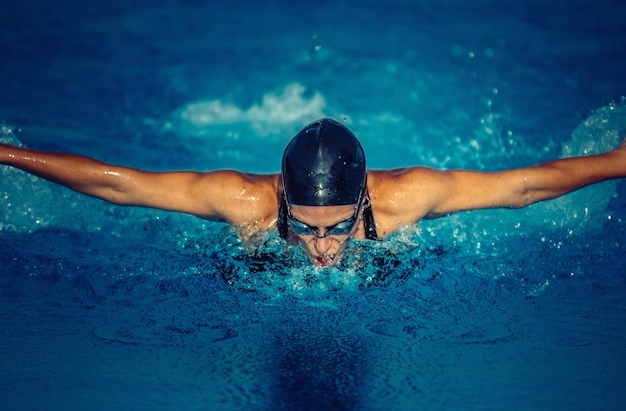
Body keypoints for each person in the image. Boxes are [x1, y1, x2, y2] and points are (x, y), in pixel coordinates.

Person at [2, 118, 625, 266]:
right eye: (302, 225)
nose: (322, 248)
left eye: (337, 227)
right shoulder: (241, 200)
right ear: (280, 202)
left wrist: (619, 162)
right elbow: (116, 185)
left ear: (363, 204)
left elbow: (525, 187)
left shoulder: (408, 196)